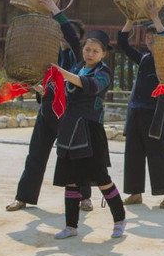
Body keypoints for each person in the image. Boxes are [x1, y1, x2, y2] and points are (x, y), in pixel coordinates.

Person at [5, 0, 86, 213]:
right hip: (47, 111)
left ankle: (84, 196)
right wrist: (38, 88)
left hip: (68, 114)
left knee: (74, 156)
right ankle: (23, 197)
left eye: (68, 34)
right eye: (61, 34)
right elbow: (40, 80)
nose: (63, 37)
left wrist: (55, 10)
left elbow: (71, 37)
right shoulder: (50, 55)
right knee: (35, 155)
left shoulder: (78, 58)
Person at [50, 29, 127, 239]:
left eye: (95, 51)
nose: (90, 54)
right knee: (70, 179)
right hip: (70, 129)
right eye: (87, 49)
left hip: (90, 131)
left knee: (101, 178)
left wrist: (62, 73)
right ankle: (71, 226)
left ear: (103, 54)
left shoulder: (104, 72)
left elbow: (92, 86)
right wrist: (43, 87)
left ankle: (119, 218)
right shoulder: (77, 68)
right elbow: (64, 91)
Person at [118, 5, 164, 208]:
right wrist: (130, 20)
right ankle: (135, 193)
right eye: (148, 38)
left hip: (155, 113)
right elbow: (122, 43)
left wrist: (155, 17)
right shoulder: (143, 59)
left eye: (154, 38)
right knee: (133, 153)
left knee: (158, 154)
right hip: (136, 112)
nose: (150, 41)